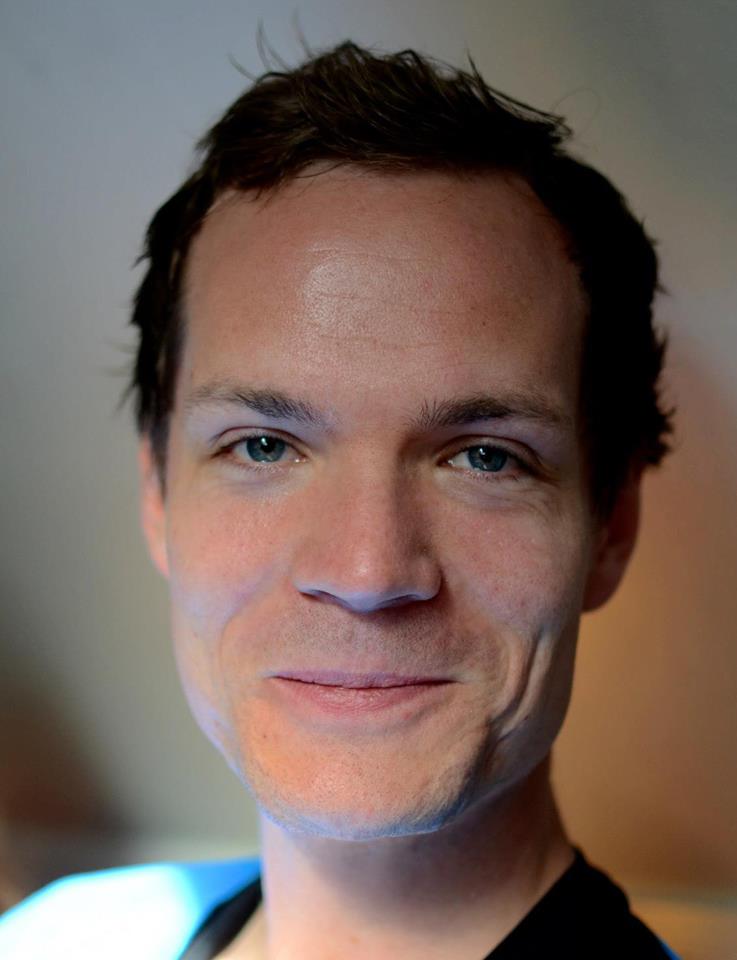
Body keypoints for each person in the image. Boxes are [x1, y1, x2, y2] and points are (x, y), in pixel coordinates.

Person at [0, 41, 679, 959]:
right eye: (264, 445)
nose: (365, 573)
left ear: (611, 526)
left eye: (484, 458)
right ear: (157, 493)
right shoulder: (64, 936)